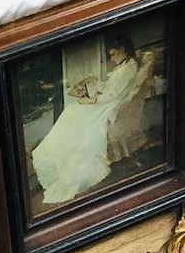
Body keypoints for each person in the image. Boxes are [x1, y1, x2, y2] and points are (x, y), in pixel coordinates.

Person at [30, 34, 142, 205]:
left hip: (109, 106)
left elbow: (113, 94)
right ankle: (57, 153)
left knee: (74, 112)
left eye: (113, 54)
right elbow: (109, 88)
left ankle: (63, 160)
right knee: (73, 111)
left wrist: (91, 100)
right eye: (110, 55)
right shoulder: (124, 66)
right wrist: (96, 81)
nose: (112, 59)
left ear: (123, 50)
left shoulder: (129, 68)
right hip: (107, 101)